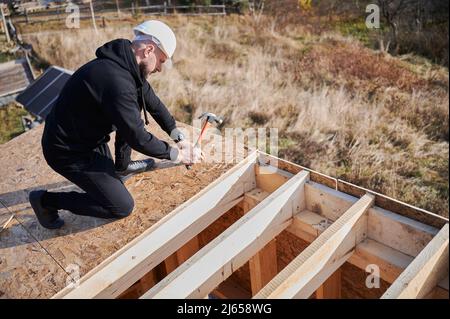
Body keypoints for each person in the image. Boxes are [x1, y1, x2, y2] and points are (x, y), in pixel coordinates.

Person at [29, 20, 201, 229]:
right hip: (67, 151)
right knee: (121, 206)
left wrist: (178, 137)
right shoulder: (116, 82)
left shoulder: (126, 66)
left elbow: (154, 104)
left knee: (131, 111)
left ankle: (122, 165)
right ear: (148, 50)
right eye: (161, 61)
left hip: (88, 140)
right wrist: (177, 155)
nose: (160, 69)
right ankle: (46, 201)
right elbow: (137, 137)